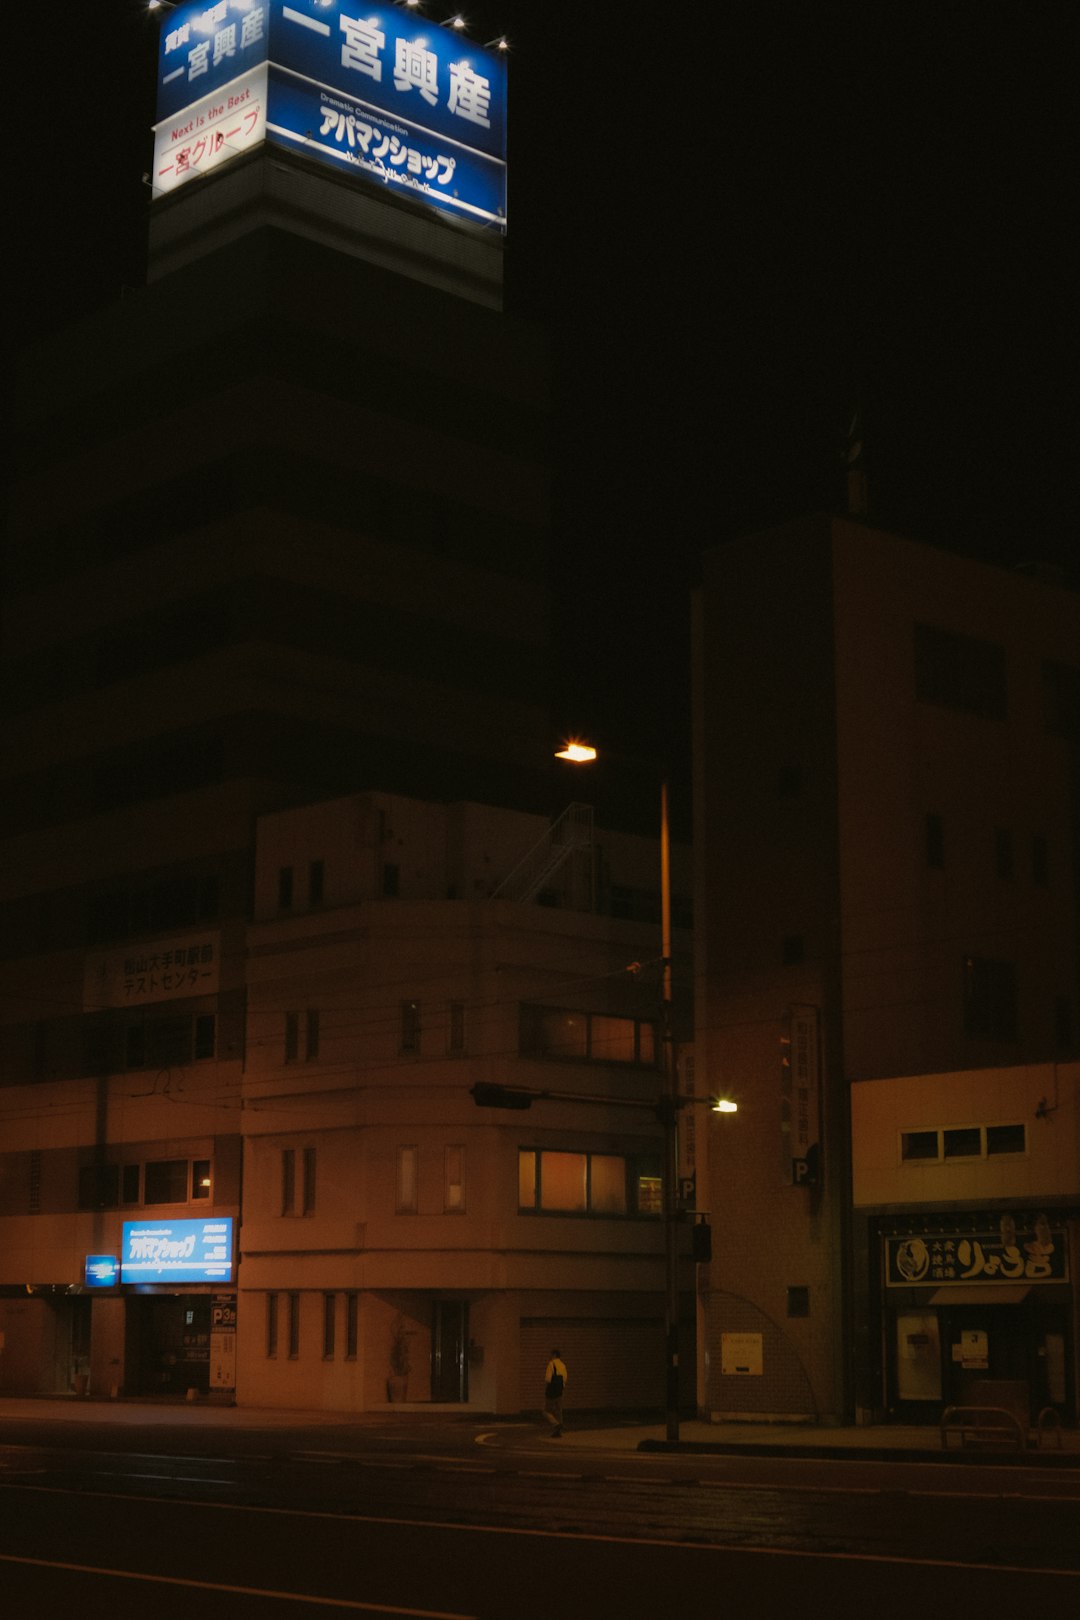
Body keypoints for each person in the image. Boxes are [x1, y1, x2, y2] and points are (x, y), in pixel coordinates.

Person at [543, 1347, 567, 1437]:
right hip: (560, 1390)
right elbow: (565, 1379)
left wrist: (546, 1390)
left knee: (546, 1411)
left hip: (551, 1391)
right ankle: (558, 1431)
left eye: (551, 1355)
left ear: (554, 1355)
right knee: (558, 1411)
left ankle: (556, 1424)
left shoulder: (551, 1364)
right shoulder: (563, 1365)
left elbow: (548, 1379)